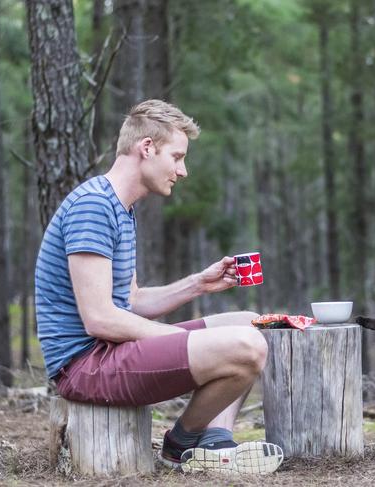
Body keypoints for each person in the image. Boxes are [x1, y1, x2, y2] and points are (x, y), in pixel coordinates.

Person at [34, 99, 283, 474]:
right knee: (247, 347)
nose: (183, 171)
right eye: (177, 157)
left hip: (111, 351)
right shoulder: (94, 207)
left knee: (251, 323)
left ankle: (215, 443)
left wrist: (198, 284)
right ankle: (181, 443)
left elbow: (130, 301)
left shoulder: (121, 208)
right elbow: (99, 319)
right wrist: (175, 340)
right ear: (147, 148)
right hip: (85, 366)